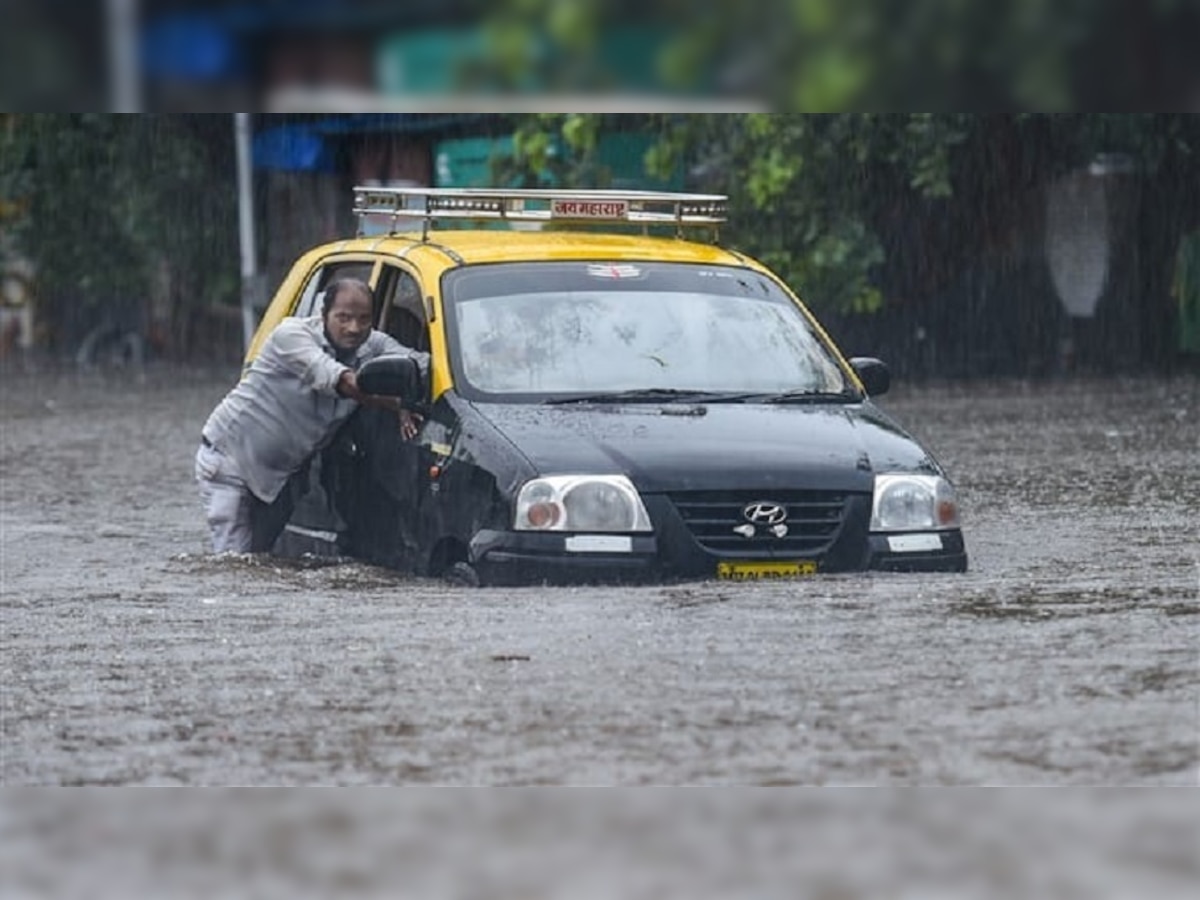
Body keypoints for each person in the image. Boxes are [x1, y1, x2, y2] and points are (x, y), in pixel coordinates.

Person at [195, 277, 429, 554]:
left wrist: (409, 391)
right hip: (231, 462)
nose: (354, 328)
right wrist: (398, 401)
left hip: (284, 477)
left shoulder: (373, 346)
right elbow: (343, 383)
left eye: (364, 319)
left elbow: (424, 365)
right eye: (343, 317)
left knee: (259, 562)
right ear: (323, 314)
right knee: (234, 562)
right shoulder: (292, 336)